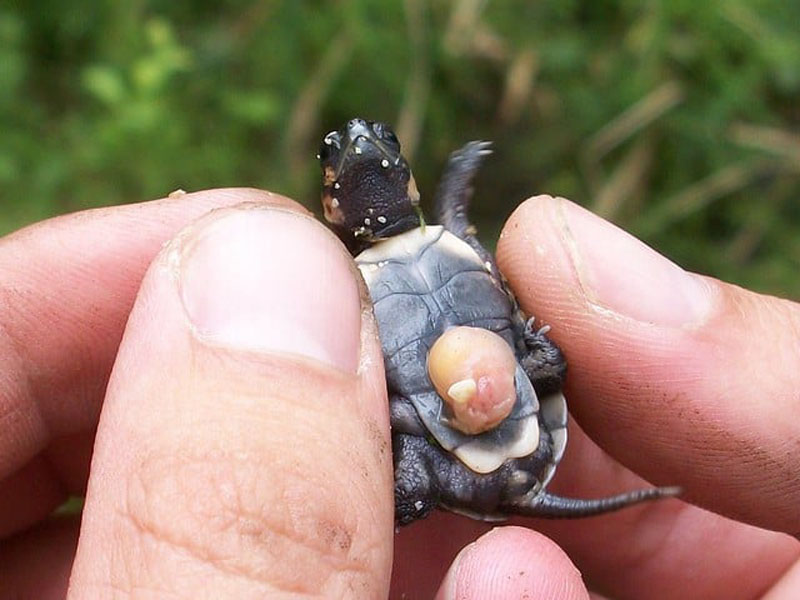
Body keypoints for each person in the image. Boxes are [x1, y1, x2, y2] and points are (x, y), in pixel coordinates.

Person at [0, 189, 797, 599]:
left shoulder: (393, 258)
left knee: (472, 410)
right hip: (464, 431)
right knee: (436, 445)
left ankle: (419, 477)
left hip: (465, 416)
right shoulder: (409, 251)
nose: (360, 160)